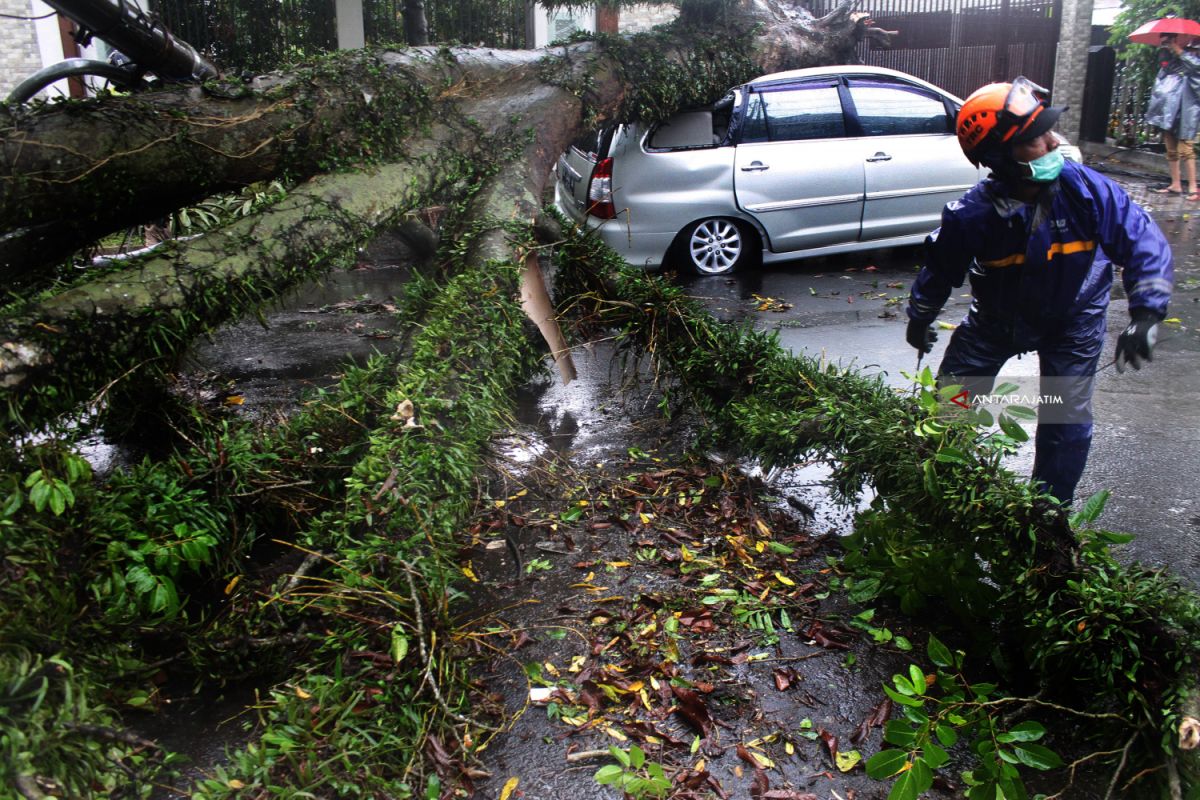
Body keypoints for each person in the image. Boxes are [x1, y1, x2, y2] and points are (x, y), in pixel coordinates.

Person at [904, 77, 1174, 504]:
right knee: (952, 402)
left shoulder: (1086, 190)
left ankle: (1046, 517)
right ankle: (939, 492)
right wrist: (920, 316)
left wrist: (1147, 313)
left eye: (1048, 130)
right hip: (997, 321)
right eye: (1034, 137)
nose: (1052, 142)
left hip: (1075, 317)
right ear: (999, 157)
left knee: (1065, 419)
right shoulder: (973, 216)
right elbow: (940, 268)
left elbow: (1142, 239)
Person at [1145, 33, 1200, 200]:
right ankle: (1175, 184)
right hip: (1169, 110)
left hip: (1187, 111)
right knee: (1171, 150)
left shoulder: (1194, 63)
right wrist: (1166, 49)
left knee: (1186, 150)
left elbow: (1195, 67)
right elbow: (1164, 74)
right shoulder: (1174, 63)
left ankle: (1193, 188)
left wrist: (1178, 49)